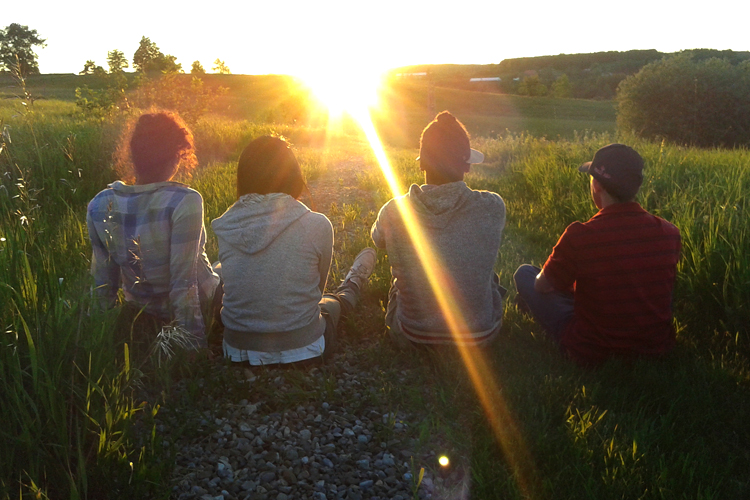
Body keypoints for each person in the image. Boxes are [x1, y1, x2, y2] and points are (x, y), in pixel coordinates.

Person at [211, 136, 376, 365]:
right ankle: (353, 282)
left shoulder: (226, 224)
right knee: (330, 303)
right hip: (306, 348)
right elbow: (315, 292)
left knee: (218, 270)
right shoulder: (318, 224)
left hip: (236, 350)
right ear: (293, 177)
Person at [513, 143, 681, 365]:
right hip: (655, 345)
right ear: (636, 188)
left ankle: (529, 303)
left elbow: (542, 286)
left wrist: (563, 284)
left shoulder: (580, 235)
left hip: (592, 348)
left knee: (526, 275)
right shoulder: (669, 233)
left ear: (597, 185)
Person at [86, 111, 220, 350]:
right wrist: (192, 343)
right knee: (230, 267)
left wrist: (98, 338)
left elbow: (103, 284)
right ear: (175, 155)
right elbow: (184, 281)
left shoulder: (99, 203)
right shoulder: (184, 200)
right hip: (199, 303)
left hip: (142, 309)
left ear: (134, 156)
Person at [371, 111, 506, 346]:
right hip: (480, 334)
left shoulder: (393, 211)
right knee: (489, 276)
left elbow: (377, 241)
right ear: (467, 167)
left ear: (421, 163)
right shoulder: (494, 206)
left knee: (399, 282)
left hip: (413, 333)